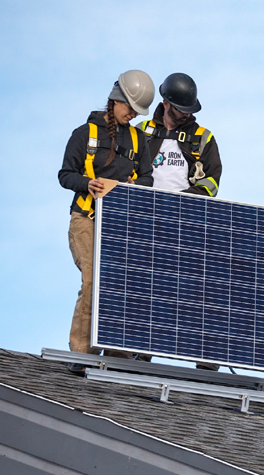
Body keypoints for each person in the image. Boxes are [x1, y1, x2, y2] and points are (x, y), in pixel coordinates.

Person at [58, 70, 155, 373]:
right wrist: (88, 184)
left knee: (121, 286)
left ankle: (119, 357)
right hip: (86, 219)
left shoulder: (140, 140)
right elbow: (65, 175)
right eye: (129, 108)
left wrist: (129, 187)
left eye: (137, 112)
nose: (131, 115)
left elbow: (148, 180)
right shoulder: (84, 133)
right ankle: (82, 353)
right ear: (116, 98)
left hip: (120, 225)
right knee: (92, 282)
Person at [138, 72, 223, 371]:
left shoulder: (203, 138)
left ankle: (207, 362)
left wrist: (187, 199)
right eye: (181, 110)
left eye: (190, 111)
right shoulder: (141, 132)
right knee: (144, 291)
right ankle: (135, 354)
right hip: (147, 223)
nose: (186, 115)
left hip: (188, 225)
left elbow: (213, 181)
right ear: (166, 103)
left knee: (198, 292)